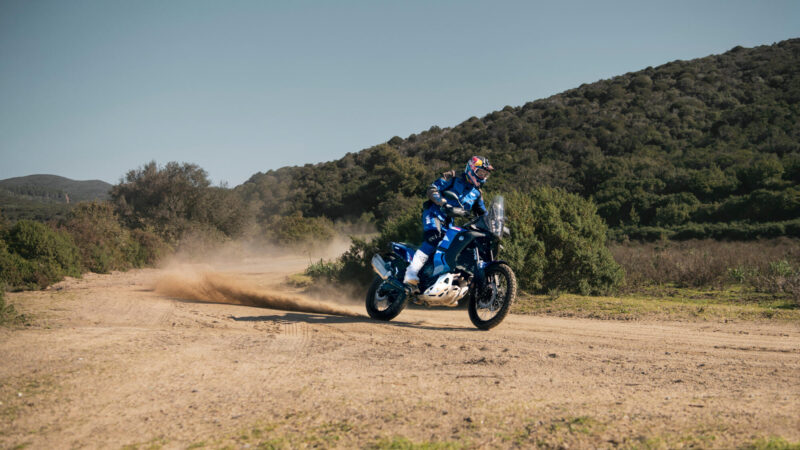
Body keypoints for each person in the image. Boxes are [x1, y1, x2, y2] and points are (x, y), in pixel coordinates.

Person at [403, 155, 494, 287]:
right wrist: (443, 203)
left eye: (485, 174)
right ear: (471, 169)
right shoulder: (453, 176)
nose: (483, 176)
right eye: (480, 173)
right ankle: (411, 272)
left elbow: (482, 213)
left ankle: (432, 277)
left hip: (449, 221)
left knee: (450, 246)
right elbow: (432, 189)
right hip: (434, 212)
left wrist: (493, 222)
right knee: (434, 238)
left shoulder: (477, 193)